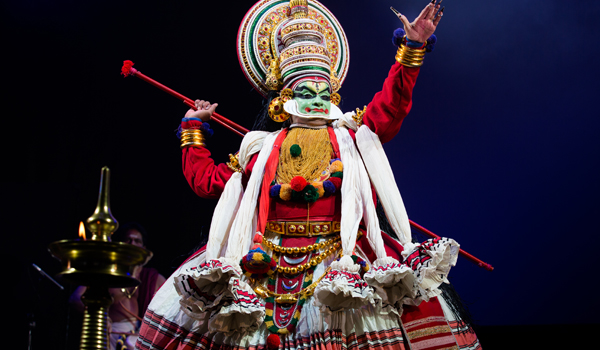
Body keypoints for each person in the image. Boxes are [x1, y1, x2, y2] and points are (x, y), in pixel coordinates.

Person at [136, 1, 481, 349]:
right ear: (284, 99)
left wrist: (413, 47)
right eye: (305, 93)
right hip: (263, 263)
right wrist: (192, 129)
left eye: (322, 93)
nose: (316, 101)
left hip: (341, 266)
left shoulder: (351, 137)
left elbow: (390, 106)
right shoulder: (262, 150)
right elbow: (207, 182)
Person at [70, 223, 166, 350]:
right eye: (128, 240)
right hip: (110, 334)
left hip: (140, 339)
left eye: (137, 241)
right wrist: (101, 320)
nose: (132, 244)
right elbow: (75, 299)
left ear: (144, 248)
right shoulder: (106, 273)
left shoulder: (153, 278)